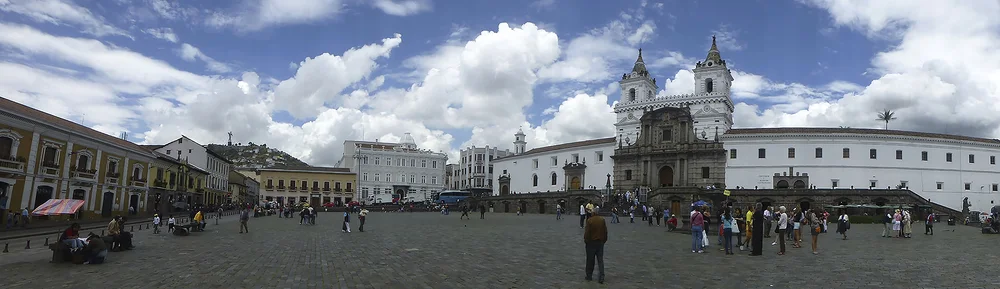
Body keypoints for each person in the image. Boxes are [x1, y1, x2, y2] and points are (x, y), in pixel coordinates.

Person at [583, 207, 607, 284]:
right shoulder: (602, 220)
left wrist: (586, 241)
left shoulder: (590, 220)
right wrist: (604, 240)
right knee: (600, 261)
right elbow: (605, 231)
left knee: (590, 260)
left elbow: (587, 233)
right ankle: (601, 277)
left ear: (593, 213)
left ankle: (589, 276)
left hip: (591, 243)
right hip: (600, 242)